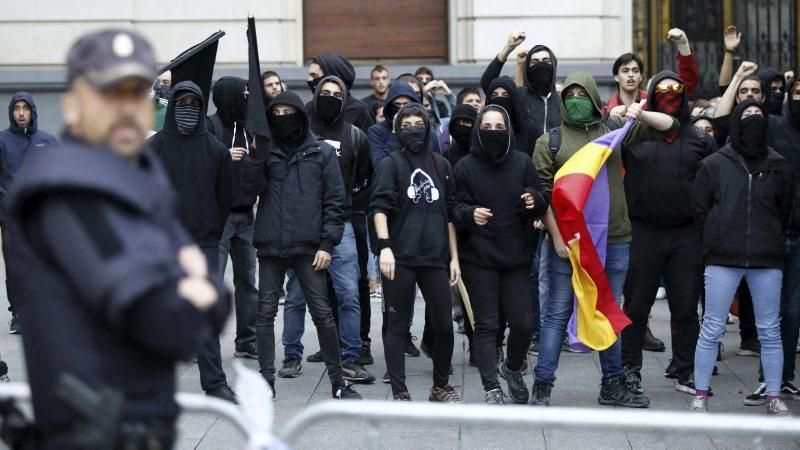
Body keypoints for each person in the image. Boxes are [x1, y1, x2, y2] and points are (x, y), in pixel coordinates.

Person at [6, 28, 230, 448]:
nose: (125, 109)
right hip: (86, 430)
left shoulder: (139, 176)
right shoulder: (63, 189)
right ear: (74, 105)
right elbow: (170, 322)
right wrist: (201, 293)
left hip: (144, 424)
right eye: (109, 94)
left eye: (135, 93)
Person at [531, 71, 679, 407]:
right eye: (569, 94)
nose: (576, 99)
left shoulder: (614, 131)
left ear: (596, 98)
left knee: (608, 309)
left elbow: (670, 127)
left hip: (614, 240)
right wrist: (555, 237)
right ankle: (543, 386)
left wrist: (639, 113)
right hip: (568, 244)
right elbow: (542, 196)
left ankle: (612, 385)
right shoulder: (549, 142)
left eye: (583, 93)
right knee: (556, 313)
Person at [240, 91, 361, 400]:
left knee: (322, 313)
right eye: (276, 113)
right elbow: (247, 191)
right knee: (265, 313)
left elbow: (335, 202)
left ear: (301, 115)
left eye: (288, 112)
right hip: (271, 246)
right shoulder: (266, 152)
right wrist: (254, 156)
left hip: (310, 248)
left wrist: (326, 244)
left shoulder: (321, 153)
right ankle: (266, 380)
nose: (283, 118)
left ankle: (337, 381)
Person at [690, 100, 793, 416]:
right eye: (746, 115)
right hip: (722, 257)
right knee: (711, 328)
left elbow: (784, 209)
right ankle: (700, 394)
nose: (753, 121)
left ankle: (773, 395)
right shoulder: (714, 164)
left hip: (766, 259)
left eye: (758, 116)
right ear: (734, 122)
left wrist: (771, 238)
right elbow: (699, 209)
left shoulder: (779, 165)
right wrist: (714, 240)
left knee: (770, 331)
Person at [619, 70, 717, 397]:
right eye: (661, 90)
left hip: (685, 234)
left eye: (675, 90)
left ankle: (685, 370)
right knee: (635, 308)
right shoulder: (633, 134)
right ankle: (630, 372)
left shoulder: (699, 139)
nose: (669, 95)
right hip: (643, 231)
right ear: (651, 94)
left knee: (686, 308)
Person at [278, 76, 375, 383]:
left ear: (345, 99)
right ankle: (292, 354)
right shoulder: (299, 132)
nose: (330, 98)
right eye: (325, 93)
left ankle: (349, 357)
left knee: (348, 293)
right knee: (295, 295)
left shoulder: (355, 136)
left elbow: (363, 181)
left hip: (341, 225)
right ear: (316, 95)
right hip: (303, 227)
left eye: (337, 94)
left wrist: (345, 205)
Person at [453, 104, 548, 403]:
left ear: (508, 131)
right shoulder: (465, 167)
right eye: (487, 127)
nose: (493, 132)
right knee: (487, 325)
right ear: (478, 130)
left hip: (517, 256)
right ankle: (491, 387)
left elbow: (542, 199)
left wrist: (534, 199)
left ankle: (513, 367)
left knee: (523, 323)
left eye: (499, 127)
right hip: (479, 258)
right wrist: (470, 213)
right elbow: (452, 209)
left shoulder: (522, 163)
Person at [150, 80, 237, 403]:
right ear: (172, 105)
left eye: (193, 104)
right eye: (181, 103)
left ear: (202, 108)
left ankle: (214, 382)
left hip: (203, 244)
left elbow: (225, 196)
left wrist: (210, 229)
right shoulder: (154, 148)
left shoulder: (215, 150)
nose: (187, 109)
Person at [370, 103, 462, 402]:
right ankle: (400, 390)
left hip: (435, 258)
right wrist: (384, 247)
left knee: (444, 327)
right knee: (397, 324)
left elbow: (449, 214)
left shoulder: (441, 164)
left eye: (418, 122)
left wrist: (454, 258)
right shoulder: (390, 163)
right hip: (400, 258)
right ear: (397, 129)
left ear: (428, 126)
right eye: (406, 122)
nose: (413, 127)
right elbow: (379, 208)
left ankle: (440, 386)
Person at [741, 79, 800, 406]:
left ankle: (785, 377)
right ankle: (769, 379)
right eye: (797, 94)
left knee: (793, 313)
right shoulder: (774, 126)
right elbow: (730, 123)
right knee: (772, 313)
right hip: (776, 234)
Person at [206, 76, 259, 361]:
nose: (247, 98)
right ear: (229, 97)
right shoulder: (210, 127)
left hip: (246, 214)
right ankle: (205, 340)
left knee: (248, 281)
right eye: (243, 93)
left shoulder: (250, 128)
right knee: (212, 279)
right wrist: (223, 155)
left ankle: (247, 340)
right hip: (219, 217)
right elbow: (199, 166)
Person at [0, 92, 58, 334]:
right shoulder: (1, 141)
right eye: (17, 108)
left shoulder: (48, 140)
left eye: (25, 108)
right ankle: (19, 314)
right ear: (11, 112)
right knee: (14, 265)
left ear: (33, 111)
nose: (21, 113)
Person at [480, 31, 561, 138]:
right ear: (527, 68)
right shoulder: (520, 97)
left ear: (553, 66)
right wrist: (508, 48)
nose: (541, 65)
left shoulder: (563, 101)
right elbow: (488, 83)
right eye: (535, 62)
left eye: (546, 61)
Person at [604, 28, 699, 117]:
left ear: (641, 76)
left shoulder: (654, 100)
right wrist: (609, 119)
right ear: (616, 77)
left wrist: (683, 46)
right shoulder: (607, 109)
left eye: (635, 70)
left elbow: (686, 85)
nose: (631, 75)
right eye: (625, 71)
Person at [306, 53, 374, 133]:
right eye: (310, 75)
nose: (309, 80)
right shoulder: (309, 108)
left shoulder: (360, 111)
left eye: (314, 75)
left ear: (332, 77)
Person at [486, 76, 537, 156]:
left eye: (505, 95)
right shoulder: (482, 129)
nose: (500, 98)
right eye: (495, 96)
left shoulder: (530, 130)